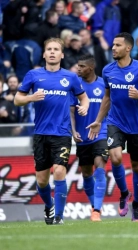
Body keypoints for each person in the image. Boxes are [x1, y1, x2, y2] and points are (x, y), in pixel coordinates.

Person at [14, 38, 89, 225]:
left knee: (60, 171)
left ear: (62, 54)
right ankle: (49, 205)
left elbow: (84, 98)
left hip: (62, 133)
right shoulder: (33, 75)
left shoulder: (70, 77)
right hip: (40, 133)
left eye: (56, 49)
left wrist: (84, 107)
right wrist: (31, 97)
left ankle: (59, 216)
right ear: (44, 54)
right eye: (49, 49)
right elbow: (17, 99)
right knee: (41, 180)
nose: (53, 52)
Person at [87, 32, 138, 222]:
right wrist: (98, 120)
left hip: (136, 126)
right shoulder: (107, 70)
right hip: (115, 122)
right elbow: (107, 98)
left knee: (136, 166)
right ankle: (124, 192)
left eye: (118, 45)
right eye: (113, 45)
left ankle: (137, 204)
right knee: (115, 157)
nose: (113, 48)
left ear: (128, 48)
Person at [70, 54, 108, 222]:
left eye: (81, 66)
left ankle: (97, 210)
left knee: (100, 166)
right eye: (77, 66)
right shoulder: (75, 86)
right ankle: (94, 206)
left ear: (90, 68)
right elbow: (71, 111)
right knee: (86, 173)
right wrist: (73, 131)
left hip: (101, 133)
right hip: (82, 137)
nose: (78, 69)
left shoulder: (103, 85)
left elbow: (110, 107)